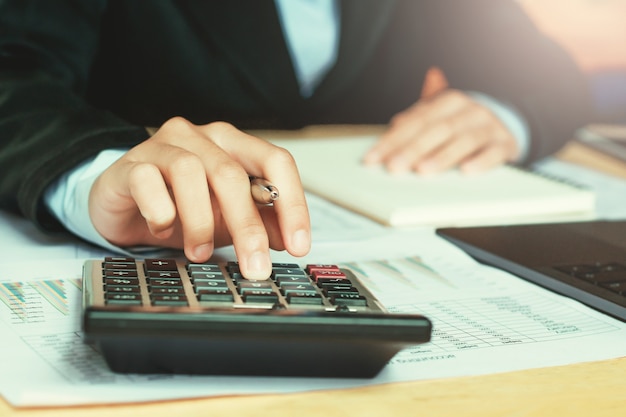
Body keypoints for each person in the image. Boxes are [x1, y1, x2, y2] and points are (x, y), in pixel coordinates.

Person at [0, 0, 592, 279]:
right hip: (160, 237)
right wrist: (91, 168)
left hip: (397, 236)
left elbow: (547, 74)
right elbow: (13, 70)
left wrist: (504, 114)